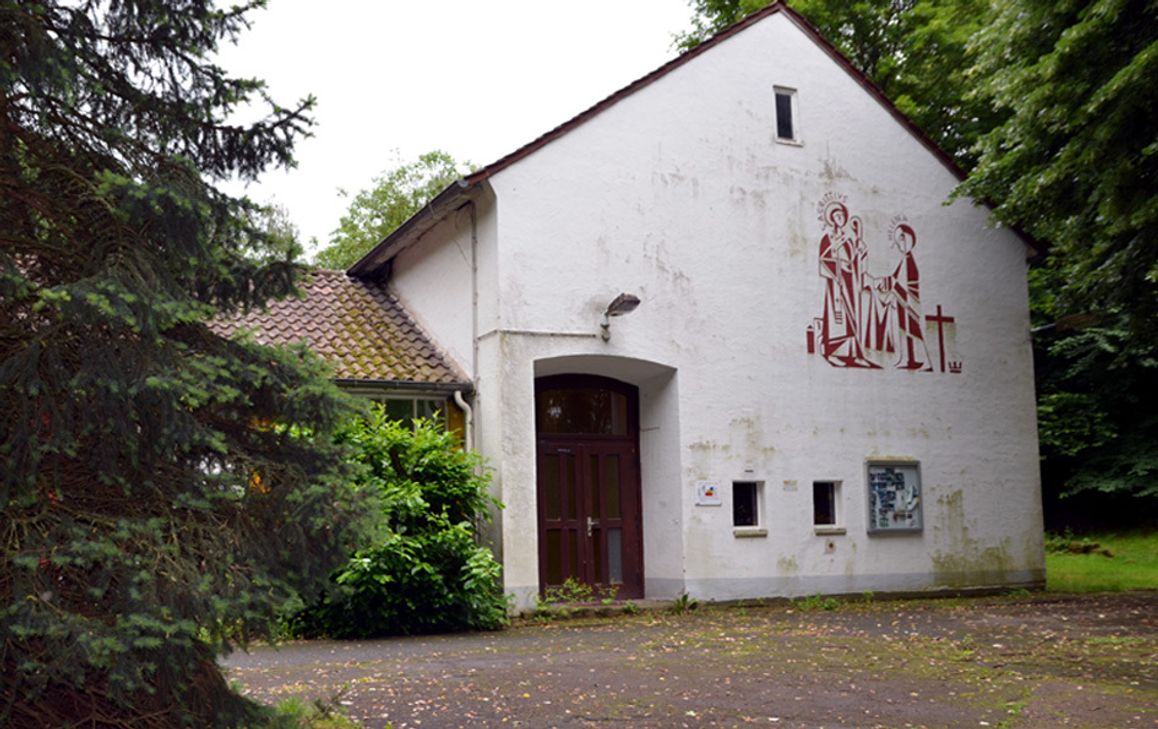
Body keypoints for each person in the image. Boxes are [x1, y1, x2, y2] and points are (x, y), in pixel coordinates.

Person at [817, 203, 878, 368]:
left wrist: (861, 253)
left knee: (852, 318)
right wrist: (837, 260)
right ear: (832, 219)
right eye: (837, 216)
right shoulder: (828, 239)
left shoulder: (848, 240)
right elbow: (823, 261)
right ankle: (831, 353)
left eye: (842, 216)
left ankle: (854, 354)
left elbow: (856, 262)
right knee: (836, 319)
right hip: (836, 284)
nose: (840, 218)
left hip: (850, 282)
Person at [884, 224, 932, 370]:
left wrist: (892, 285)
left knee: (914, 330)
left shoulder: (910, 262)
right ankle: (907, 359)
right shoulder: (903, 261)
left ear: (909, 238)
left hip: (909, 301)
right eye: (898, 242)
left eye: (902, 240)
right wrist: (886, 283)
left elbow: (907, 283)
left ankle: (923, 360)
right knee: (903, 330)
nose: (900, 245)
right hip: (901, 302)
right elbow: (894, 278)